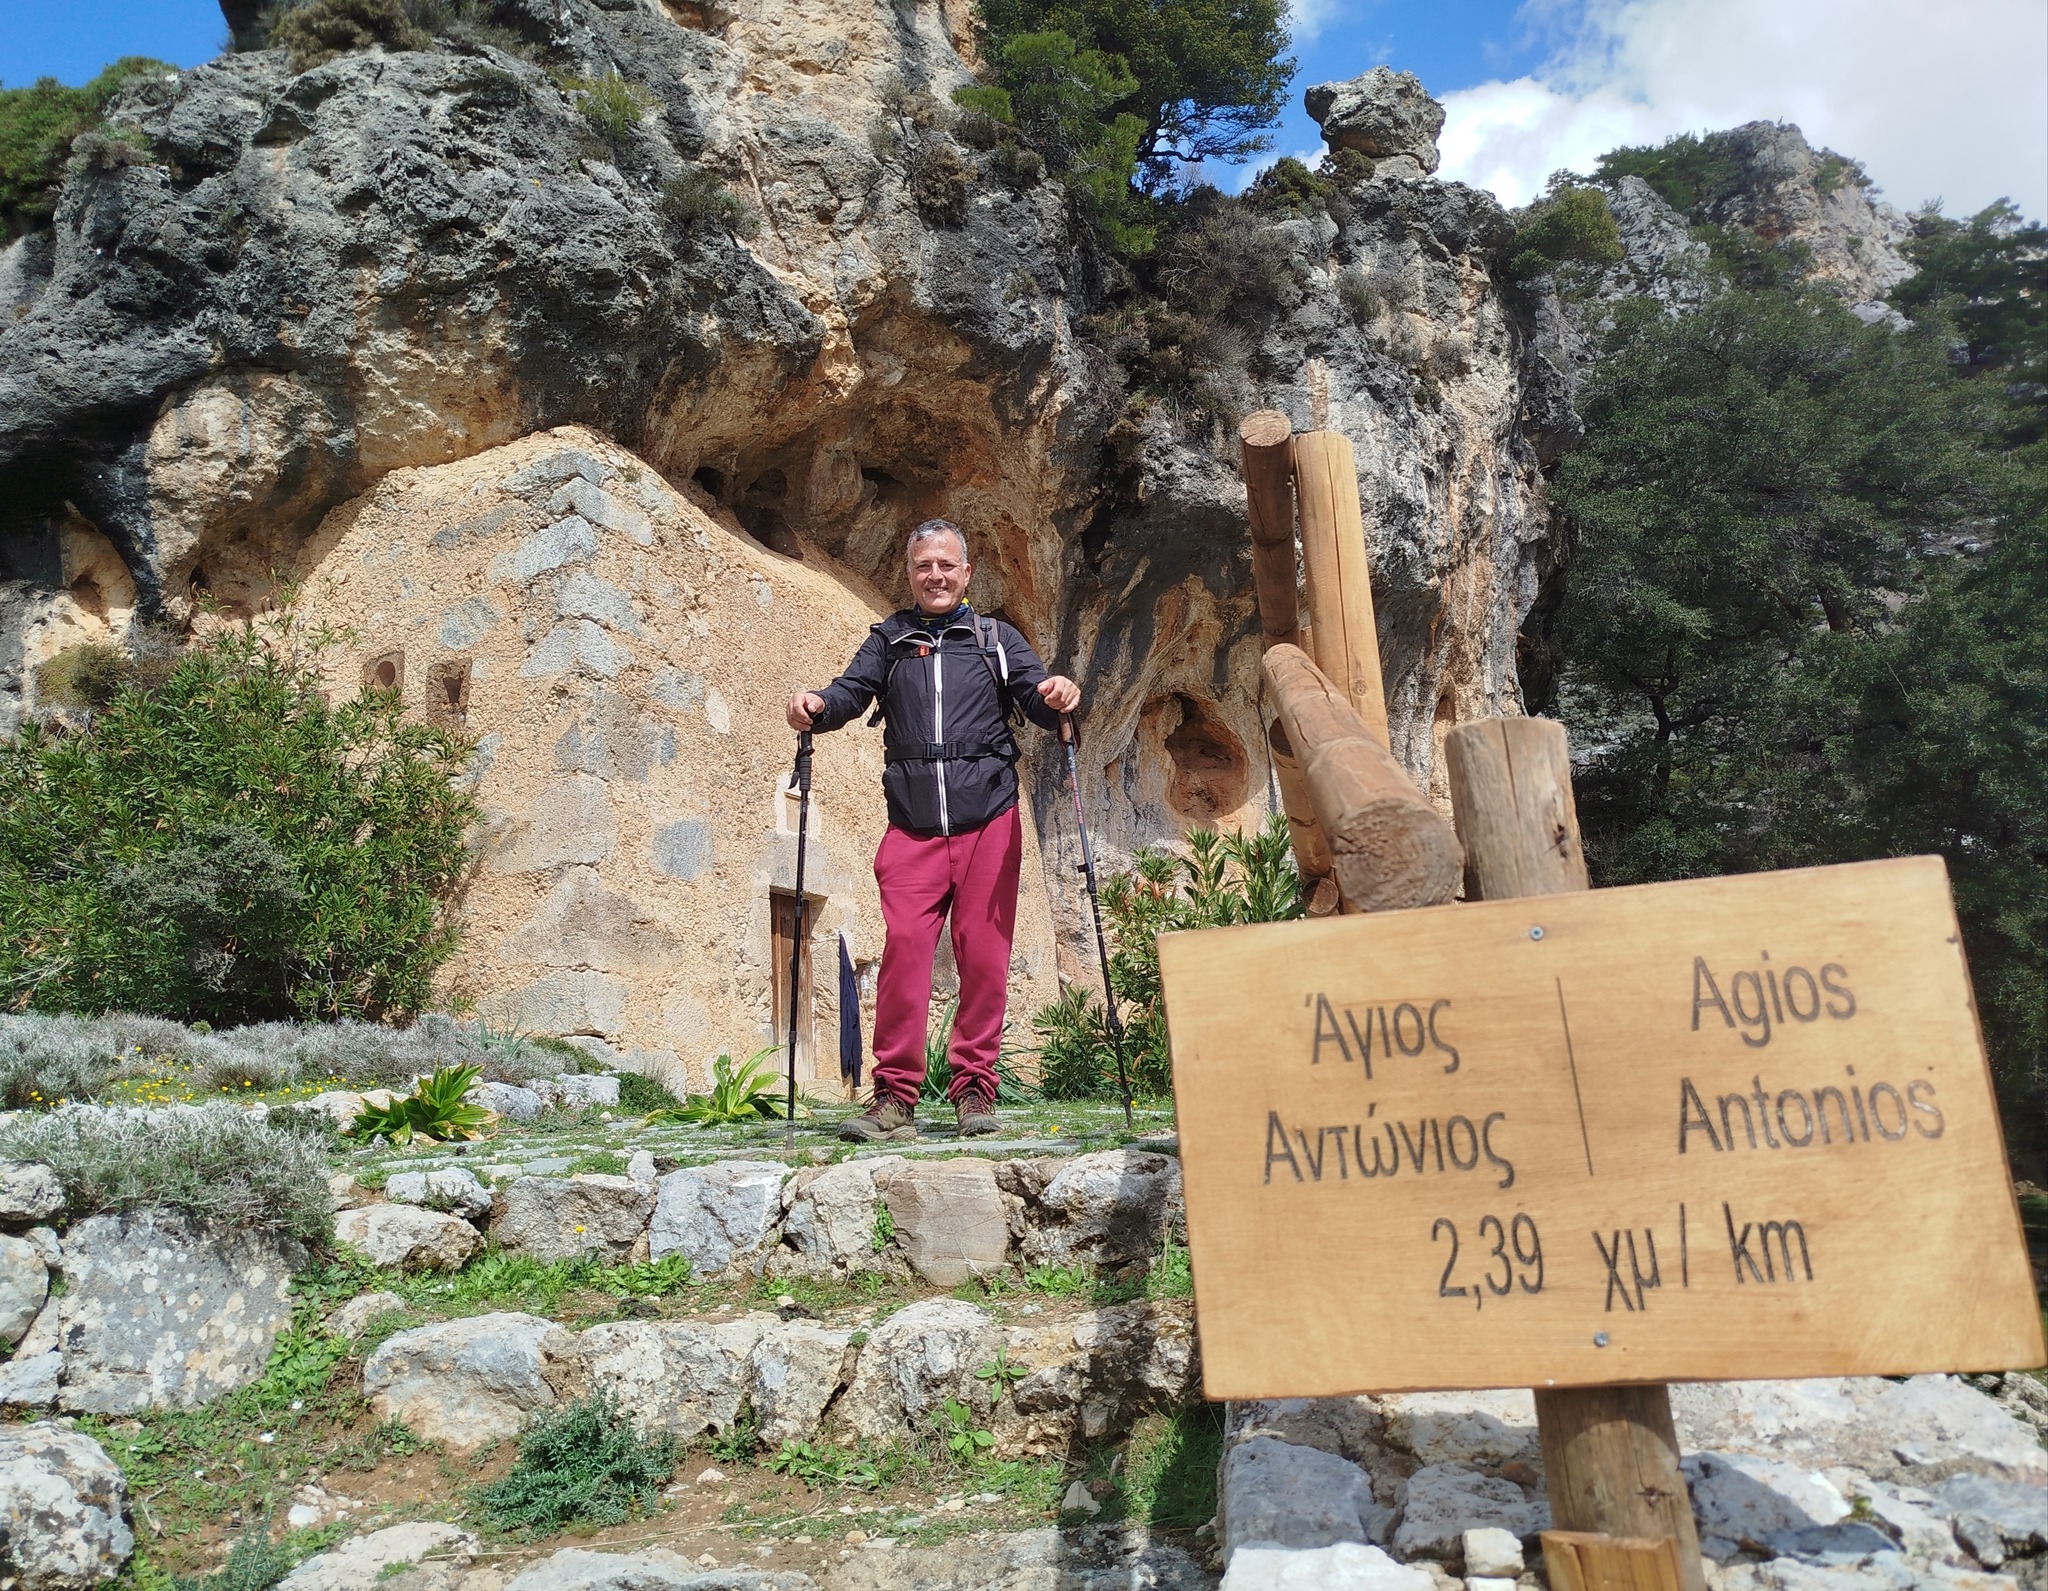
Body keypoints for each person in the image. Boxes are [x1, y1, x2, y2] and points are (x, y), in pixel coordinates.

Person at [787, 519, 1080, 1140]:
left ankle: (974, 1091)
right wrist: (817, 704)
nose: (936, 576)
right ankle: (895, 1098)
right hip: (913, 827)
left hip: (989, 822)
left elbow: (1035, 698)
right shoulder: (890, 640)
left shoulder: (996, 639)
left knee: (985, 960)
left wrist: (1055, 693)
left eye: (947, 565)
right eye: (925, 566)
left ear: (966, 573)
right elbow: (849, 694)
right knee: (905, 958)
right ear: (910, 573)